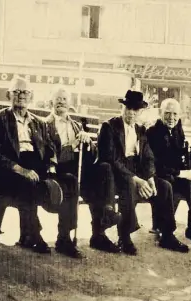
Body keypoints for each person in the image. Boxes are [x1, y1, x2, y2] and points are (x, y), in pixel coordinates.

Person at [0, 77, 67, 255]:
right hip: (4, 174)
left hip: (33, 171)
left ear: (31, 97)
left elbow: (50, 149)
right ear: (8, 95)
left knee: (67, 181)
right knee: (28, 181)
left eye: (25, 92)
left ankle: (61, 237)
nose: (21, 95)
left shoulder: (38, 123)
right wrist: (20, 169)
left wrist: (51, 169)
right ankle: (32, 235)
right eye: (16, 92)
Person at [98, 90, 189, 255]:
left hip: (136, 173)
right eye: (128, 109)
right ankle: (124, 236)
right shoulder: (109, 127)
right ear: (122, 108)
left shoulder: (140, 130)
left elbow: (148, 158)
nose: (131, 113)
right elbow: (111, 159)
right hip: (115, 176)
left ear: (140, 112)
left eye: (136, 110)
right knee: (129, 187)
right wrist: (136, 180)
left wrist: (150, 178)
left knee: (165, 186)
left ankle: (167, 234)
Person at [44, 86, 121, 254]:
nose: (61, 102)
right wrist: (72, 146)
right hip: (58, 172)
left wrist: (87, 143)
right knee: (71, 181)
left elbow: (93, 156)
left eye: (64, 99)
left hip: (78, 169)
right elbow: (51, 156)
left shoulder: (76, 125)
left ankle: (102, 226)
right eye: (57, 99)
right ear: (51, 102)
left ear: (70, 103)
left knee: (104, 169)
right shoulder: (44, 125)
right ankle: (63, 238)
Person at [147, 98, 191, 244]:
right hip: (160, 177)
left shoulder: (177, 129)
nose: (172, 118)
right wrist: (183, 174)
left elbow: (186, 152)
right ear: (160, 113)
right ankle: (167, 235)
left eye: (175, 114)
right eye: (167, 113)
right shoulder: (152, 133)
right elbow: (157, 166)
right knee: (168, 186)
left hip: (174, 175)